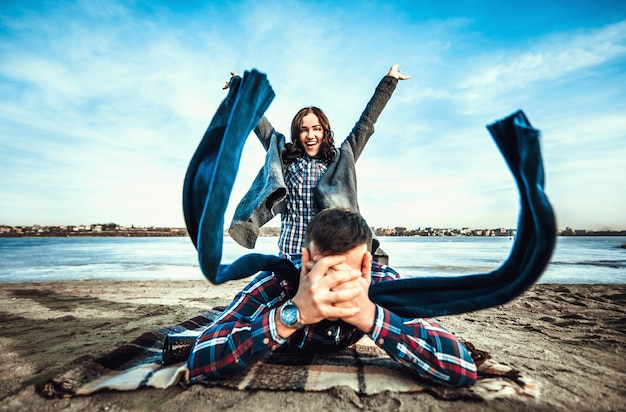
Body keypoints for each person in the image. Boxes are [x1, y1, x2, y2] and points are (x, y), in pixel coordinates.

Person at [187, 208, 477, 387]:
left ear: (367, 265)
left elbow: (460, 367)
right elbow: (200, 357)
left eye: (346, 273)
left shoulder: (380, 283)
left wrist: (370, 315)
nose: (335, 284)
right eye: (327, 270)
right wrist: (293, 313)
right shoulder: (278, 281)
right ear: (306, 261)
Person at [226, 65, 411, 261]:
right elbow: (259, 123)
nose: (311, 135)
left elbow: (366, 124)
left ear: (324, 132)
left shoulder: (339, 160)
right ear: (297, 134)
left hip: (330, 257)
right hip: (290, 256)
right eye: (304, 129)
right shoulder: (285, 159)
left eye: (317, 129)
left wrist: (389, 82)